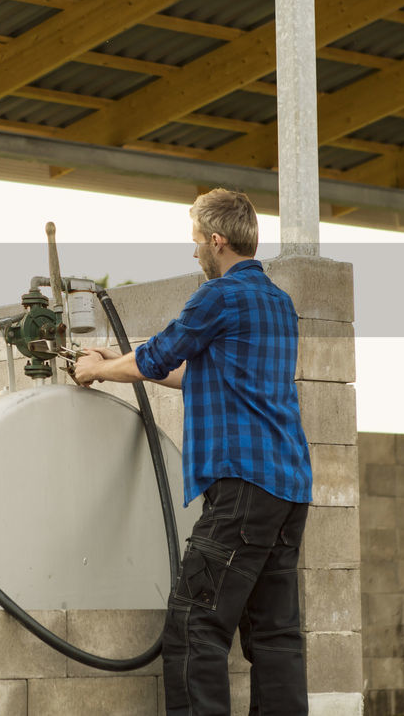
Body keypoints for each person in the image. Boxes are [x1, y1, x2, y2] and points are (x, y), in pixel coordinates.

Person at [73, 188, 312, 716]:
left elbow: (158, 358)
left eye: (197, 241)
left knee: (193, 623)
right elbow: (198, 371)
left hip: (242, 486)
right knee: (275, 637)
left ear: (217, 240)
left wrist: (95, 370)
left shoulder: (219, 296)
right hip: (289, 488)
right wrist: (117, 359)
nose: (195, 251)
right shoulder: (278, 301)